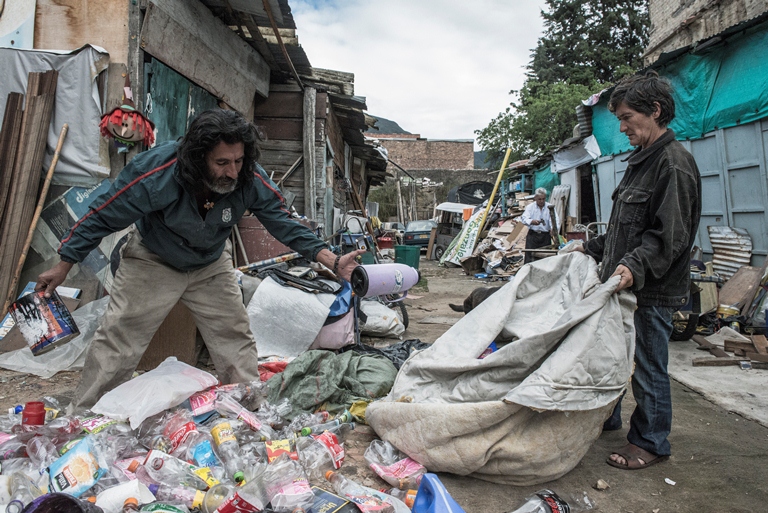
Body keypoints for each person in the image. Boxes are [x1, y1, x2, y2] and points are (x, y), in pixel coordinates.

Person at [35, 109, 362, 408]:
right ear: (197, 157)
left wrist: (331, 260)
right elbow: (102, 215)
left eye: (237, 161)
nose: (232, 171)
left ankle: (248, 409)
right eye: (222, 163)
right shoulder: (155, 173)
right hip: (154, 258)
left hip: (210, 262)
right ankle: (87, 416)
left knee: (234, 334)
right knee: (120, 338)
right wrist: (64, 263)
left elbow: (283, 221)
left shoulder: (248, 176)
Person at [577, 71, 701, 470]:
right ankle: (606, 417)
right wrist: (586, 249)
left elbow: (669, 236)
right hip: (622, 285)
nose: (622, 126)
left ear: (656, 111)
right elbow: (623, 230)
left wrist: (631, 267)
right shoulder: (641, 161)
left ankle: (650, 441)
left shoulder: (673, 164)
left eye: (628, 117)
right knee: (612, 357)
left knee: (647, 366)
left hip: (651, 289)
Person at [520, 188, 554, 263]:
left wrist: (553, 228)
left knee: (545, 259)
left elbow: (554, 220)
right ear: (535, 198)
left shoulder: (550, 207)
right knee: (530, 258)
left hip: (545, 236)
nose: (542, 201)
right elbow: (523, 219)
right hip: (533, 236)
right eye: (539, 199)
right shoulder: (530, 207)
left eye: (543, 199)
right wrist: (531, 221)